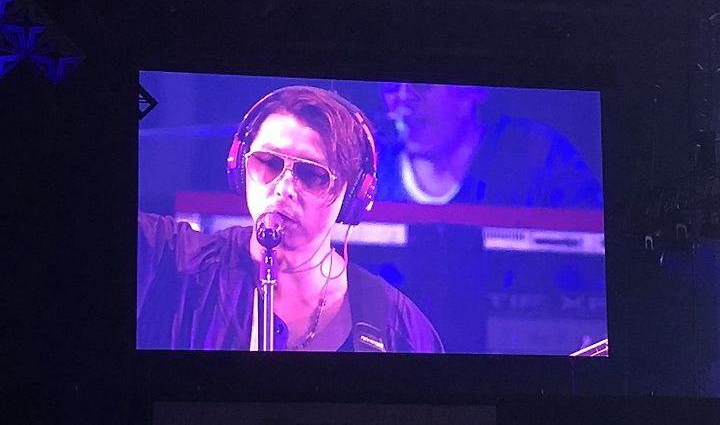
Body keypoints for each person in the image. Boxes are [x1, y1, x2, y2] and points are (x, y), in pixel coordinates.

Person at [136, 85, 444, 352]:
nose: (284, 189)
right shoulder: (170, 261)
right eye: (268, 162)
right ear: (239, 166)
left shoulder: (399, 326)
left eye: (311, 174)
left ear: (353, 196)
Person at [376, 82, 603, 208]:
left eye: (422, 84)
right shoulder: (374, 167)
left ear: (471, 93)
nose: (404, 96)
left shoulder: (540, 156)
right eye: (391, 86)